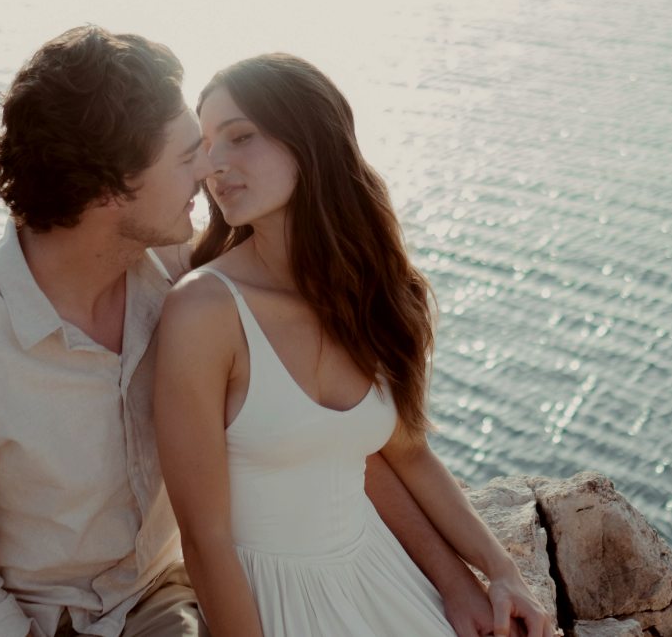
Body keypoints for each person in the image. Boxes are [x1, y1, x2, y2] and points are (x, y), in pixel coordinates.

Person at [0, 25, 508, 637]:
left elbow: (341, 444)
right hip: (8, 616)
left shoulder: (185, 274)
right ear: (109, 190)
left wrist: (462, 580)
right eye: (187, 155)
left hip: (146, 602)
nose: (209, 170)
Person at [153, 53, 555, 637]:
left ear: (310, 139)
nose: (213, 165)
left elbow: (407, 453)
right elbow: (204, 536)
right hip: (265, 599)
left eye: (240, 137)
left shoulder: (371, 293)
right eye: (207, 144)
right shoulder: (205, 309)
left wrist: (496, 573)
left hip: (379, 575)